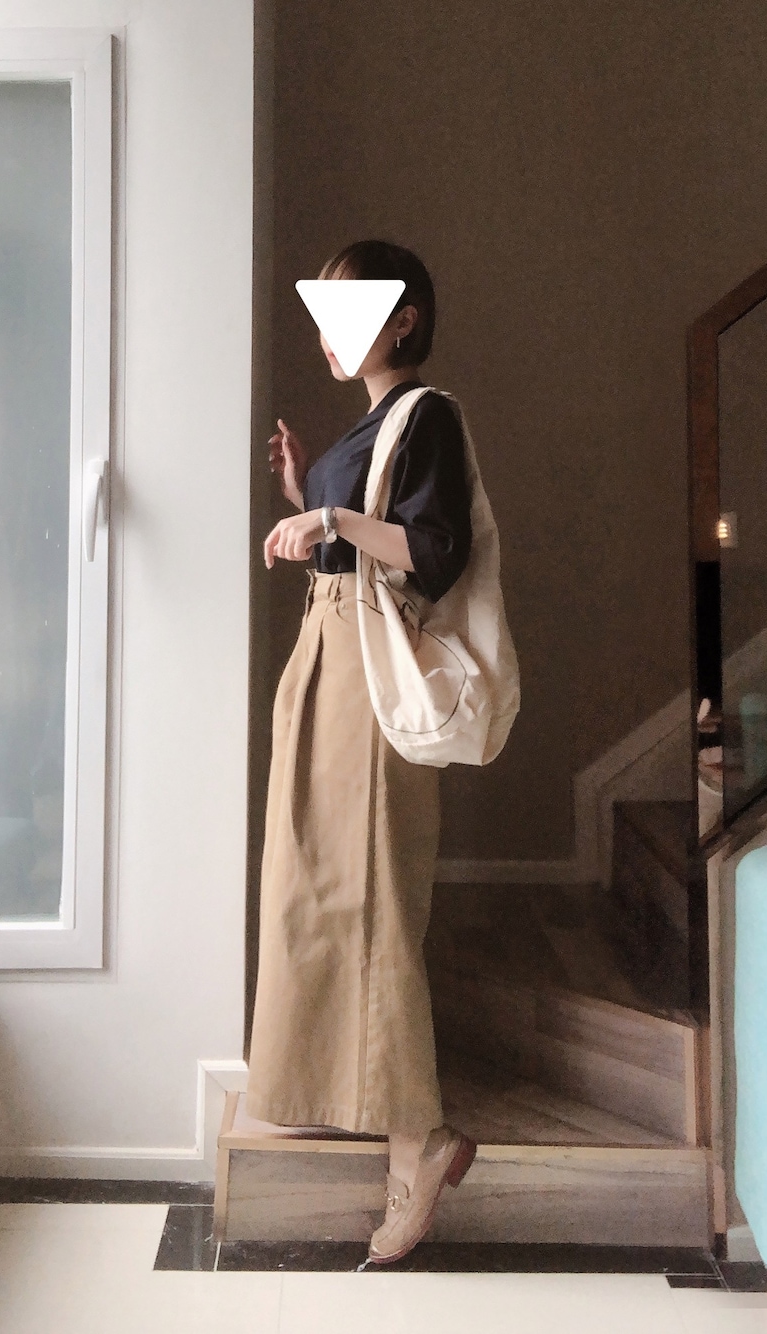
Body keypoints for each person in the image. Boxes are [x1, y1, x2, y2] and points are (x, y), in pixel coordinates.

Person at [245, 239, 477, 1264]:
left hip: (368, 675)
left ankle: (419, 1141)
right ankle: (333, 1086)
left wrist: (328, 512)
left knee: (374, 889)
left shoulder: (427, 416)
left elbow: (433, 550)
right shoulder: (368, 430)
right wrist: (309, 492)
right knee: (314, 878)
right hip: (326, 657)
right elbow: (355, 540)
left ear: (404, 319)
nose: (327, 335)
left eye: (349, 310)